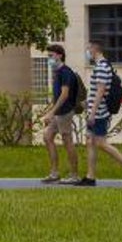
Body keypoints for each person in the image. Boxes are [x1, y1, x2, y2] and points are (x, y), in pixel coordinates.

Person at [74, 40, 122, 187]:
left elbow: (101, 91)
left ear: (94, 49)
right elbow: (96, 91)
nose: (87, 51)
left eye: (88, 48)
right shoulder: (100, 66)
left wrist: (92, 112)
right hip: (94, 110)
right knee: (90, 142)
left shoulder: (103, 67)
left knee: (100, 143)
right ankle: (90, 177)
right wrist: (87, 104)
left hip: (99, 113)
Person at [39, 44, 81, 184]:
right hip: (58, 112)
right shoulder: (57, 72)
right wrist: (50, 111)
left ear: (59, 55)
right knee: (47, 136)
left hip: (65, 111)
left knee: (67, 141)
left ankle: (74, 175)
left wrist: (52, 112)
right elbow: (57, 96)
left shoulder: (65, 72)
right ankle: (54, 173)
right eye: (48, 56)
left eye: (51, 56)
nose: (49, 59)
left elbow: (64, 95)